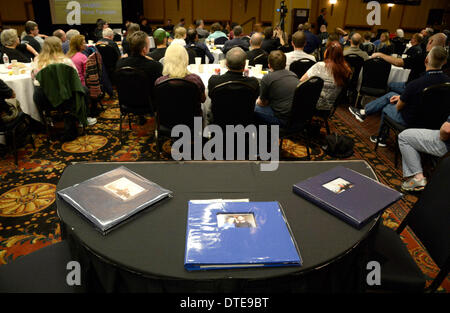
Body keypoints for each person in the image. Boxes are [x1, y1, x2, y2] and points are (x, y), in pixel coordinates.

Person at [349, 46, 450, 147]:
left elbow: (399, 107)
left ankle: (381, 139)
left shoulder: (416, 84)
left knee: (387, 107)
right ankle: (363, 112)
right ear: (444, 62)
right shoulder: (447, 82)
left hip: (414, 121)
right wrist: (402, 97)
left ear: (426, 60)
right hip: (436, 121)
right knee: (391, 95)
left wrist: (402, 99)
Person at [32, 36, 97, 131]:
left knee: (37, 91)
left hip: (47, 99)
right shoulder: (66, 61)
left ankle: (45, 120)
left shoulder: (37, 61)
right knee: (84, 90)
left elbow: (35, 79)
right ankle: (83, 117)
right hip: (68, 98)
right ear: (59, 47)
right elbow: (76, 80)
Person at [370, 33, 447, 94]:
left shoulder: (424, 56)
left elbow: (398, 62)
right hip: (429, 90)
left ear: (430, 42)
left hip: (415, 87)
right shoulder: (445, 59)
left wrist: (380, 54)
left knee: (389, 85)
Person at [398, 117, 450, 192]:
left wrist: (442, 136)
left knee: (404, 137)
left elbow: (447, 130)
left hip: (447, 147)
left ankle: (418, 178)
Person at [155, 43, 206, 116]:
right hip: (194, 122)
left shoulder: (159, 82)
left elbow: (158, 103)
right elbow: (203, 100)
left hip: (167, 121)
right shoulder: (195, 79)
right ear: (186, 58)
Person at [300, 42, 352, 111]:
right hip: (329, 106)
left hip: (313, 104)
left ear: (327, 52)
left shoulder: (320, 66)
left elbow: (301, 81)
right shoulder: (346, 69)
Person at [255, 50, 299, 127]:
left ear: (269, 65)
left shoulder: (267, 78)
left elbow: (262, 103)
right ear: (285, 64)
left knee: (250, 106)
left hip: (281, 118)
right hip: (296, 117)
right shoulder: (294, 75)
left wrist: (256, 100)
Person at [116, 31, 163, 97]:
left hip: (127, 102)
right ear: (144, 49)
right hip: (148, 104)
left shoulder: (120, 63)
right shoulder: (155, 66)